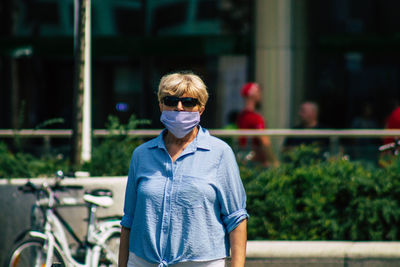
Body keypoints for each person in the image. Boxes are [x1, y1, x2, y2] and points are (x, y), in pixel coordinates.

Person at [119, 71, 249, 267]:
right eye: (171, 101)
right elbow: (129, 221)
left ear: (201, 109)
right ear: (161, 105)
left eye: (189, 103)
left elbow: (236, 219)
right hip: (143, 261)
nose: (179, 108)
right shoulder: (141, 155)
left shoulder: (220, 153)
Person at [236, 82, 279, 167]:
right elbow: (264, 141)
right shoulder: (256, 118)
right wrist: (275, 162)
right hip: (255, 162)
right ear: (252, 95)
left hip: (243, 158)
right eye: (258, 92)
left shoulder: (241, 116)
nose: (260, 95)